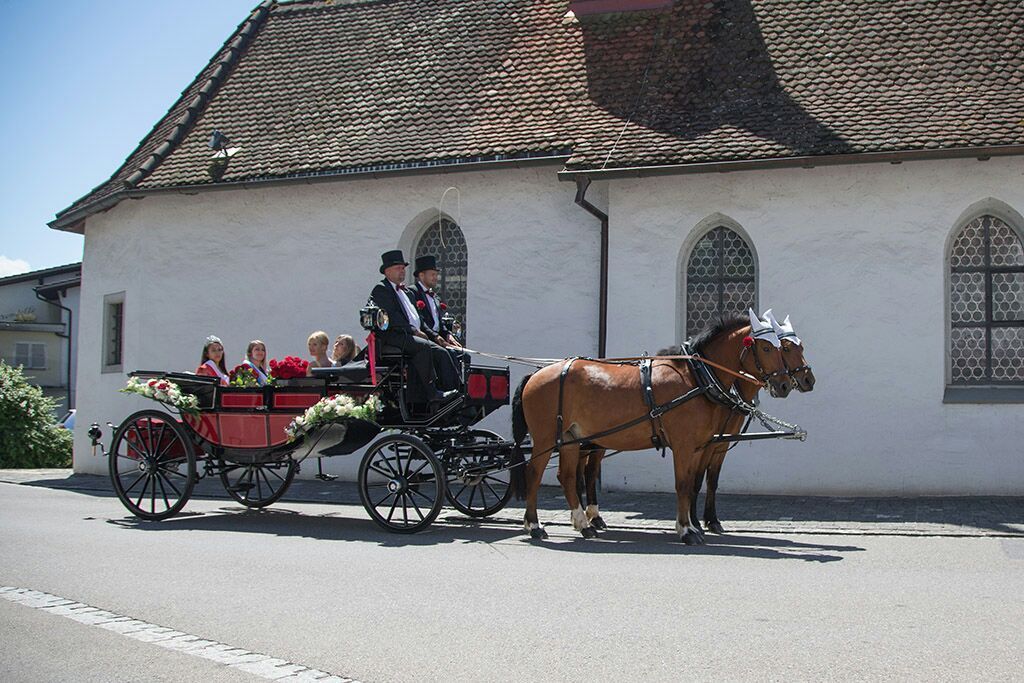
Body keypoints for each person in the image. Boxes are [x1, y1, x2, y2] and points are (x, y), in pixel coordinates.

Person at [370, 249, 458, 403]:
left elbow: (420, 320)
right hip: (394, 335)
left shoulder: (407, 292)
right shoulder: (381, 289)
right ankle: (431, 392)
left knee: (442, 351)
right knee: (424, 347)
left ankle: (454, 390)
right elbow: (392, 316)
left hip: (411, 334)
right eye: (398, 268)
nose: (402, 271)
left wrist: (435, 336)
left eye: (403, 268)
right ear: (387, 271)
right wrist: (413, 330)